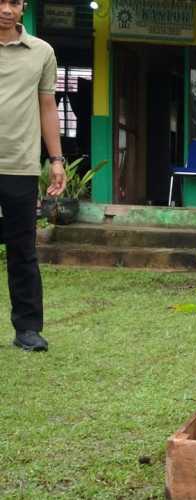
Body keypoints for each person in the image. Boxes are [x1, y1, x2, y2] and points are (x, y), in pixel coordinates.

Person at [0, 0, 66, 352]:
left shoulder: (42, 52)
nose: (6, 9)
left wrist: (55, 159)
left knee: (22, 248)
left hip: (20, 164)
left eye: (13, 1)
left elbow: (47, 106)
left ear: (23, 7)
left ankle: (27, 328)